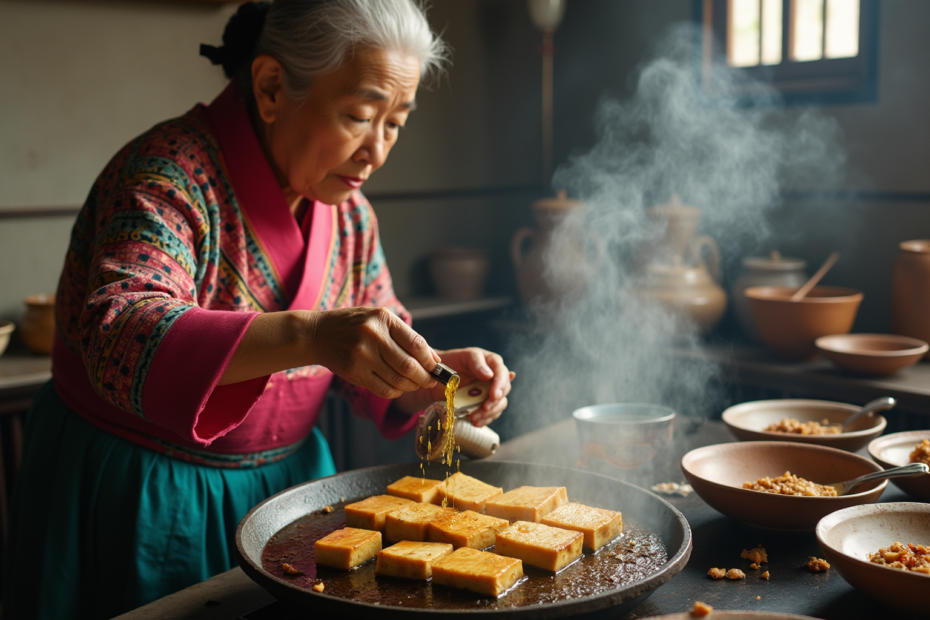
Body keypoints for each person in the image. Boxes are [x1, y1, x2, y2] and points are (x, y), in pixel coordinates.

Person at [3, 2, 514, 618]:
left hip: (290, 497)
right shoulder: (169, 175)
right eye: (358, 115)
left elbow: (368, 360)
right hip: (145, 493)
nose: (375, 152)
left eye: (395, 123)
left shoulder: (349, 217)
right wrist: (314, 335)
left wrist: (432, 381)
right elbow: (123, 335)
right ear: (272, 86)